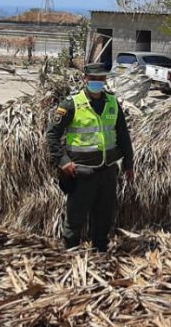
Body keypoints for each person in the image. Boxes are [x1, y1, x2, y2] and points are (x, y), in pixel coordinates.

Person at [46, 63, 135, 252]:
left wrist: (129, 163)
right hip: (81, 171)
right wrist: (63, 161)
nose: (98, 82)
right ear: (85, 79)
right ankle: (71, 251)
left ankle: (100, 250)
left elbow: (123, 135)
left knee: (104, 214)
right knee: (76, 215)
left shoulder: (112, 102)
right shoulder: (71, 104)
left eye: (101, 79)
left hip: (108, 170)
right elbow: (52, 135)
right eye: (94, 79)